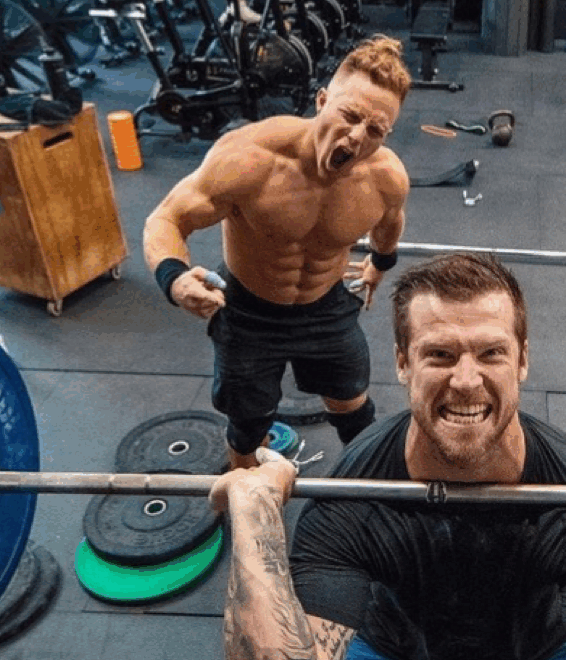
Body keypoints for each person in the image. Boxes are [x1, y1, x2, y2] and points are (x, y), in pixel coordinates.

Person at [208, 254, 566, 660]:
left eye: (491, 354)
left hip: (534, 647)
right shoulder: (350, 501)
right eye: (440, 355)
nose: (466, 381)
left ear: (522, 361)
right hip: (393, 645)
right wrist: (254, 510)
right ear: (403, 363)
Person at [143, 35, 412, 470]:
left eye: (376, 130)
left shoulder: (385, 179)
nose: (357, 136)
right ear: (322, 101)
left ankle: (369, 488)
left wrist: (379, 266)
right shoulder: (251, 158)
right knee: (248, 423)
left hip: (325, 306)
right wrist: (174, 278)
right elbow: (167, 219)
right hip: (249, 310)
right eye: (349, 115)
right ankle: (247, 492)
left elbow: (389, 225)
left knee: (354, 409)